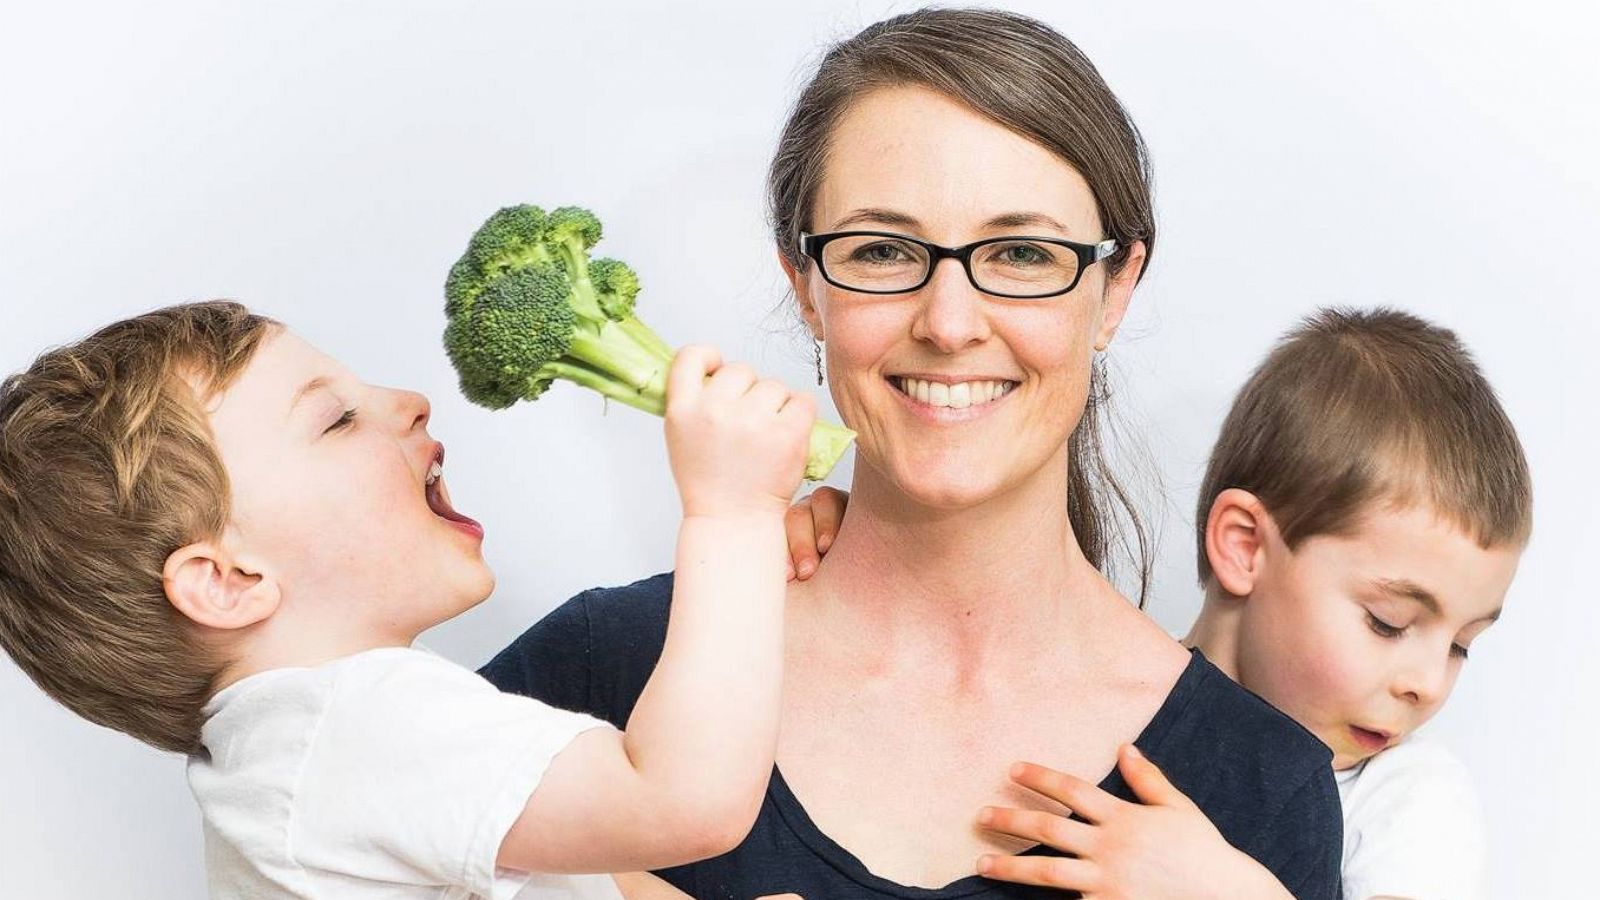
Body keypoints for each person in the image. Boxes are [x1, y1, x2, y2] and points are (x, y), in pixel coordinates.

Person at [482, 9, 1343, 899]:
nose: (949, 322)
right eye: (885, 251)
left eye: (1020, 253)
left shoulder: (1261, 790)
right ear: (805, 288)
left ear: (1114, 289)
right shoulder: (603, 666)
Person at [0, 301, 818, 900]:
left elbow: (576, 879)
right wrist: (735, 516)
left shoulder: (293, 763)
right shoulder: (352, 724)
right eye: (336, 420)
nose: (408, 400)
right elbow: (687, 801)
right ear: (229, 581)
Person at [792, 307, 1529, 900]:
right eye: (1389, 623)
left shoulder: (1408, 801)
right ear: (1243, 546)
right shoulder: (1120, 690)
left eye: (1462, 643)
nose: (1428, 683)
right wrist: (849, 534)